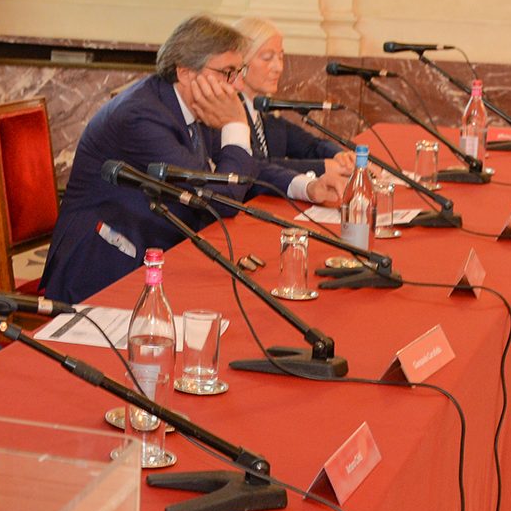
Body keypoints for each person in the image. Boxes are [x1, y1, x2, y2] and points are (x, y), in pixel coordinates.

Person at [40, 15, 345, 303]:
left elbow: (243, 168)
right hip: (103, 269)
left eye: (238, 72)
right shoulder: (142, 116)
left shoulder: (188, 101)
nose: (238, 85)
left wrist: (307, 186)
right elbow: (218, 200)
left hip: (157, 249)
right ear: (185, 71)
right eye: (228, 73)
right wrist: (236, 124)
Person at [232, 15, 352, 189]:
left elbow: (310, 145)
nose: (279, 67)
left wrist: (341, 157)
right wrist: (324, 167)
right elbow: (256, 166)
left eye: (281, 57)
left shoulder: (263, 109)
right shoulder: (230, 112)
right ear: (240, 62)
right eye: (267, 58)